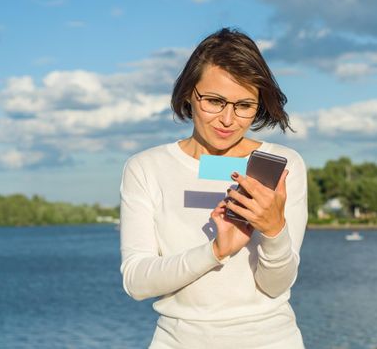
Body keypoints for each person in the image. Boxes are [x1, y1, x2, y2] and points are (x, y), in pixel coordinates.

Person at [119, 27, 308, 349]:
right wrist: (215, 252)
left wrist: (275, 231)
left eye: (244, 105)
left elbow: (275, 286)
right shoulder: (146, 168)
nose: (228, 119)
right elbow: (137, 282)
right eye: (214, 101)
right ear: (189, 94)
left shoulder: (282, 163)